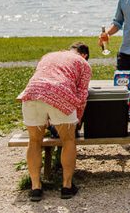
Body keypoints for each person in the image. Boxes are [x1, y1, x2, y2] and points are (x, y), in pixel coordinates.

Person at [17, 42, 91, 201]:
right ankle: (66, 186)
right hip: (62, 94)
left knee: (34, 140)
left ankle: (36, 187)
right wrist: (77, 119)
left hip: (32, 93)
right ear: (84, 55)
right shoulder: (83, 64)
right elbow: (82, 95)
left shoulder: (48, 56)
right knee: (68, 140)